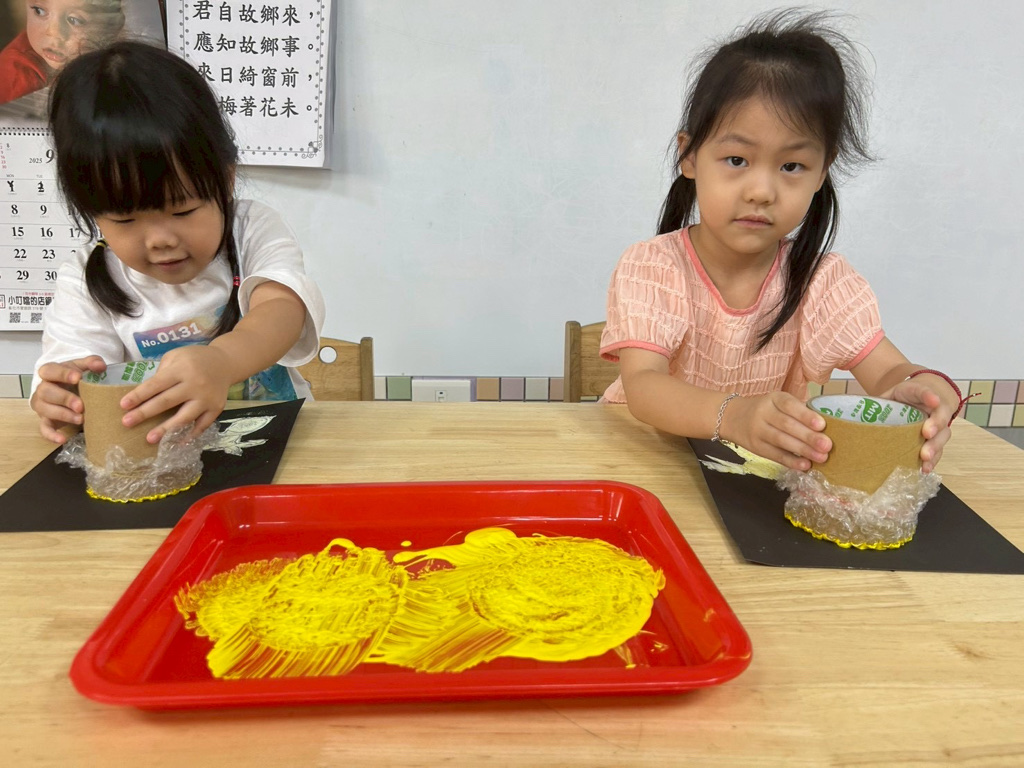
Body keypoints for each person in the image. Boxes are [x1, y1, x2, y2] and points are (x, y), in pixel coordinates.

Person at [599, 10, 966, 474]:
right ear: (688, 156)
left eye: (791, 166)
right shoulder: (652, 266)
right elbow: (644, 387)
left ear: (822, 172)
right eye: (737, 159)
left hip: (749, 482)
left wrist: (926, 389)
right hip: (643, 463)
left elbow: (890, 372)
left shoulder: (822, 281)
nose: (761, 191)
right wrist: (734, 415)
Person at [30, 41, 325, 445]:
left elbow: (282, 310)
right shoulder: (86, 279)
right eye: (125, 219)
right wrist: (65, 401)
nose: (161, 241)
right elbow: (74, 370)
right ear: (92, 212)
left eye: (182, 210)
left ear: (225, 180)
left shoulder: (251, 229)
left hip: (277, 435)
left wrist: (221, 360)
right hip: (161, 452)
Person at [0, 0, 124, 104]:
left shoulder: (120, 61)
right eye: (39, 11)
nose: (53, 32)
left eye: (75, 20)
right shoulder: (17, 75)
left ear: (114, 26)